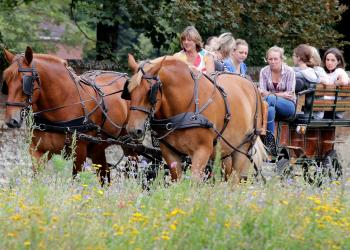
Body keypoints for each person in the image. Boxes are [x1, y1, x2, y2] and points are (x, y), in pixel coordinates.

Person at [259, 46, 296, 134]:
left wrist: (269, 94)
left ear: (281, 59)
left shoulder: (289, 71)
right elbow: (262, 94)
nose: (273, 62)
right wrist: (282, 94)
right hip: (269, 105)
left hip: (288, 106)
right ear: (267, 59)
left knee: (270, 99)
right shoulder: (264, 71)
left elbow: (290, 94)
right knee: (270, 110)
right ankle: (270, 143)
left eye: (276, 59)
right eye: (270, 59)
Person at [322, 48, 349, 118]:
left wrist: (334, 84)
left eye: (333, 60)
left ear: (338, 61)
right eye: (327, 60)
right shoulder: (325, 73)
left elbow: (344, 81)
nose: (329, 63)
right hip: (324, 107)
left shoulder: (339, 71)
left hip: (332, 109)